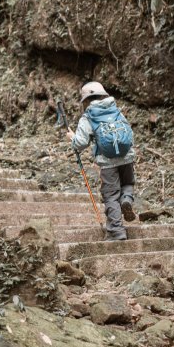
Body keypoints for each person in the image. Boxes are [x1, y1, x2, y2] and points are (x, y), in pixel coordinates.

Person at [66, 81, 136, 241]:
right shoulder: (116, 110)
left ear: (86, 100)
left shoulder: (89, 116)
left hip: (108, 162)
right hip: (127, 157)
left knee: (111, 195)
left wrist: (72, 138)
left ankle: (116, 232)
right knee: (128, 183)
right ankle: (126, 199)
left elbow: (81, 143)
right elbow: (129, 132)